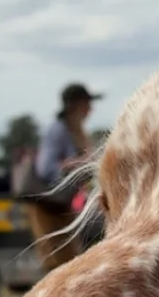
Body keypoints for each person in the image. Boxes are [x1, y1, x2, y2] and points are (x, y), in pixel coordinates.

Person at [25, 82, 103, 273]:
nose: (90, 109)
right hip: (50, 207)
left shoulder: (74, 131)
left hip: (64, 206)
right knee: (57, 263)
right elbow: (45, 168)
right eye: (86, 104)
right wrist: (75, 164)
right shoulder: (57, 130)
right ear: (74, 106)